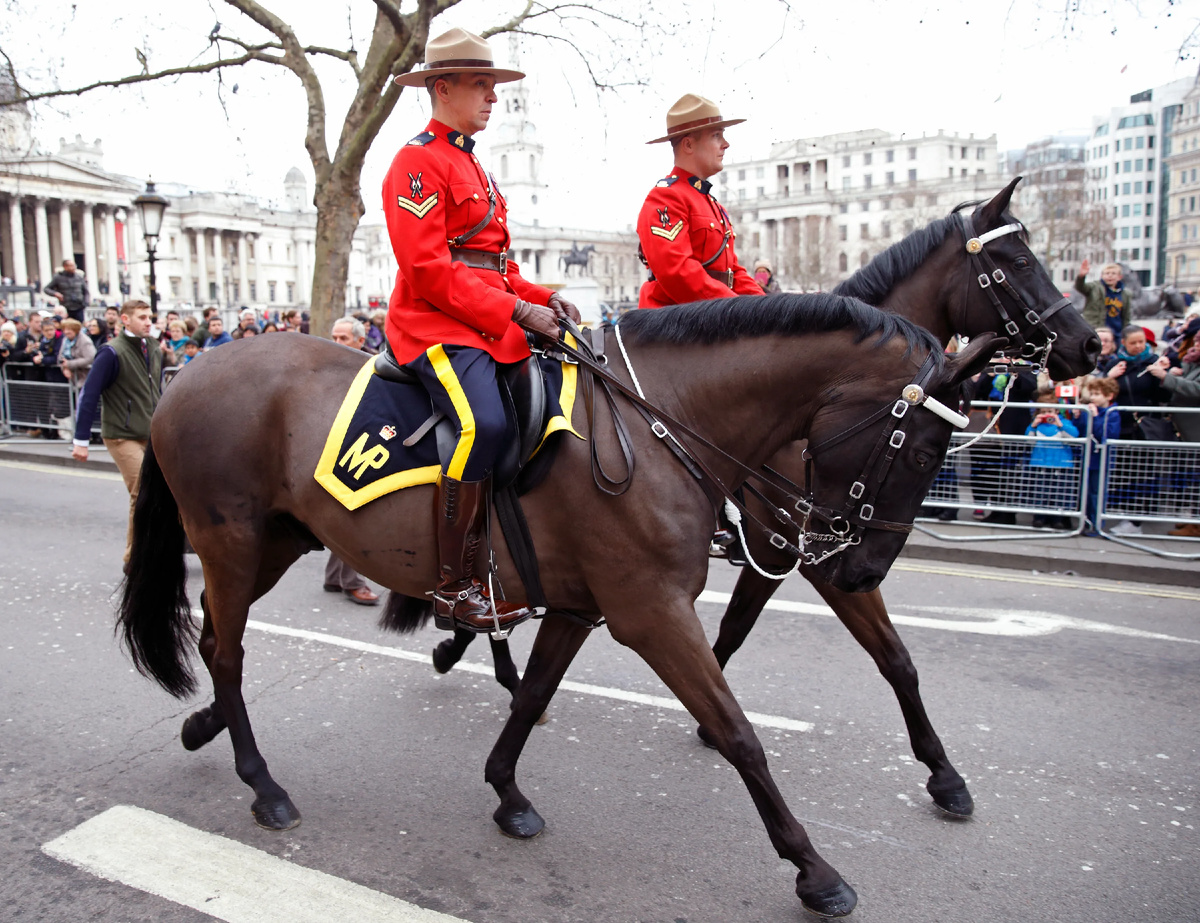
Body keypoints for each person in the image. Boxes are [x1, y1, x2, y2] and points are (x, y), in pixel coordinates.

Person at [384, 27, 579, 633]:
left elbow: (496, 266)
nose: (493, 97)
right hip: (433, 324)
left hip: (481, 317)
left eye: (494, 86)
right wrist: (518, 313)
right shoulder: (417, 161)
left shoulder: (472, 163)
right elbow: (428, 269)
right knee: (483, 423)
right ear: (443, 89)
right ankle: (453, 587)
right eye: (482, 85)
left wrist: (546, 297)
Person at [636, 94, 762, 308]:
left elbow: (734, 273)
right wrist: (739, 310)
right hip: (672, 325)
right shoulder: (666, 198)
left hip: (709, 317)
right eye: (716, 135)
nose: (726, 144)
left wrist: (769, 308)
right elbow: (678, 274)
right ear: (688, 145)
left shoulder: (713, 206)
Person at [71, 300, 162, 569]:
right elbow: (89, 394)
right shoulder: (111, 352)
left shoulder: (153, 348)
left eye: (150, 317)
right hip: (121, 435)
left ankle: (157, 550)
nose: (148, 322)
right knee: (142, 491)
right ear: (125, 319)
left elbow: (157, 392)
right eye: (142, 317)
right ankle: (134, 558)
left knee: (161, 493)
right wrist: (81, 440)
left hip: (151, 433)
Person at [321, 317, 384, 605]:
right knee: (349, 510)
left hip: (362, 446)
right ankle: (350, 581)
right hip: (330, 446)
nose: (336, 344)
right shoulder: (326, 368)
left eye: (343, 338)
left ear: (361, 341)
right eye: (334, 337)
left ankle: (337, 576)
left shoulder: (377, 367)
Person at [1025, 388, 1079, 529]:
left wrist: (1059, 424)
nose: (1046, 415)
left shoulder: (1064, 423)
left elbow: (1073, 437)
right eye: (1043, 412)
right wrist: (1033, 425)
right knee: (1039, 491)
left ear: (1056, 411)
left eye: (1049, 411)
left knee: (1059, 493)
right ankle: (1039, 518)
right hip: (1040, 463)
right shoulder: (1036, 425)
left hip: (1061, 465)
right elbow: (1028, 441)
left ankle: (1057, 519)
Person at [1105, 324, 1168, 439]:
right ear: (1123, 342)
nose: (1138, 346)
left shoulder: (1155, 361)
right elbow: (1102, 393)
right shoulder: (1114, 365)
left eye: (1141, 341)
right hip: (1121, 424)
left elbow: (1164, 396)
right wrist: (1109, 377)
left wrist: (1163, 375)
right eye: (1133, 343)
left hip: (1149, 424)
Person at [1081, 376, 1122, 536]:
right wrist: (1079, 416)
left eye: (1096, 394)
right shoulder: (1089, 410)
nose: (1092, 397)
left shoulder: (1112, 413)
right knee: (1085, 492)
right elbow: (1082, 430)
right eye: (1091, 393)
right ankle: (1086, 522)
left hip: (1101, 460)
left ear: (1108, 396)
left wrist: (1096, 417)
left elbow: (1105, 434)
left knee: (1096, 494)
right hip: (1088, 459)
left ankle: (1096, 524)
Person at [1075, 259, 1130, 337]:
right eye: (1107, 273)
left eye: (1113, 273)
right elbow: (1081, 287)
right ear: (1102, 276)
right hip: (1095, 328)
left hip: (1115, 331)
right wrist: (1081, 277)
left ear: (1119, 277)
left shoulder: (1125, 294)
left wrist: (1125, 332)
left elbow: (1126, 316)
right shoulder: (1094, 287)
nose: (1110, 275)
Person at [58, 318, 96, 388]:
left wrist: (70, 364)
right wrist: (65, 369)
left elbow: (90, 358)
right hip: (73, 378)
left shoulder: (85, 341)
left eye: (69, 329)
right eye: (64, 329)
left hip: (86, 377)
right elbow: (60, 358)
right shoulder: (65, 340)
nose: (66, 332)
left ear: (75, 330)